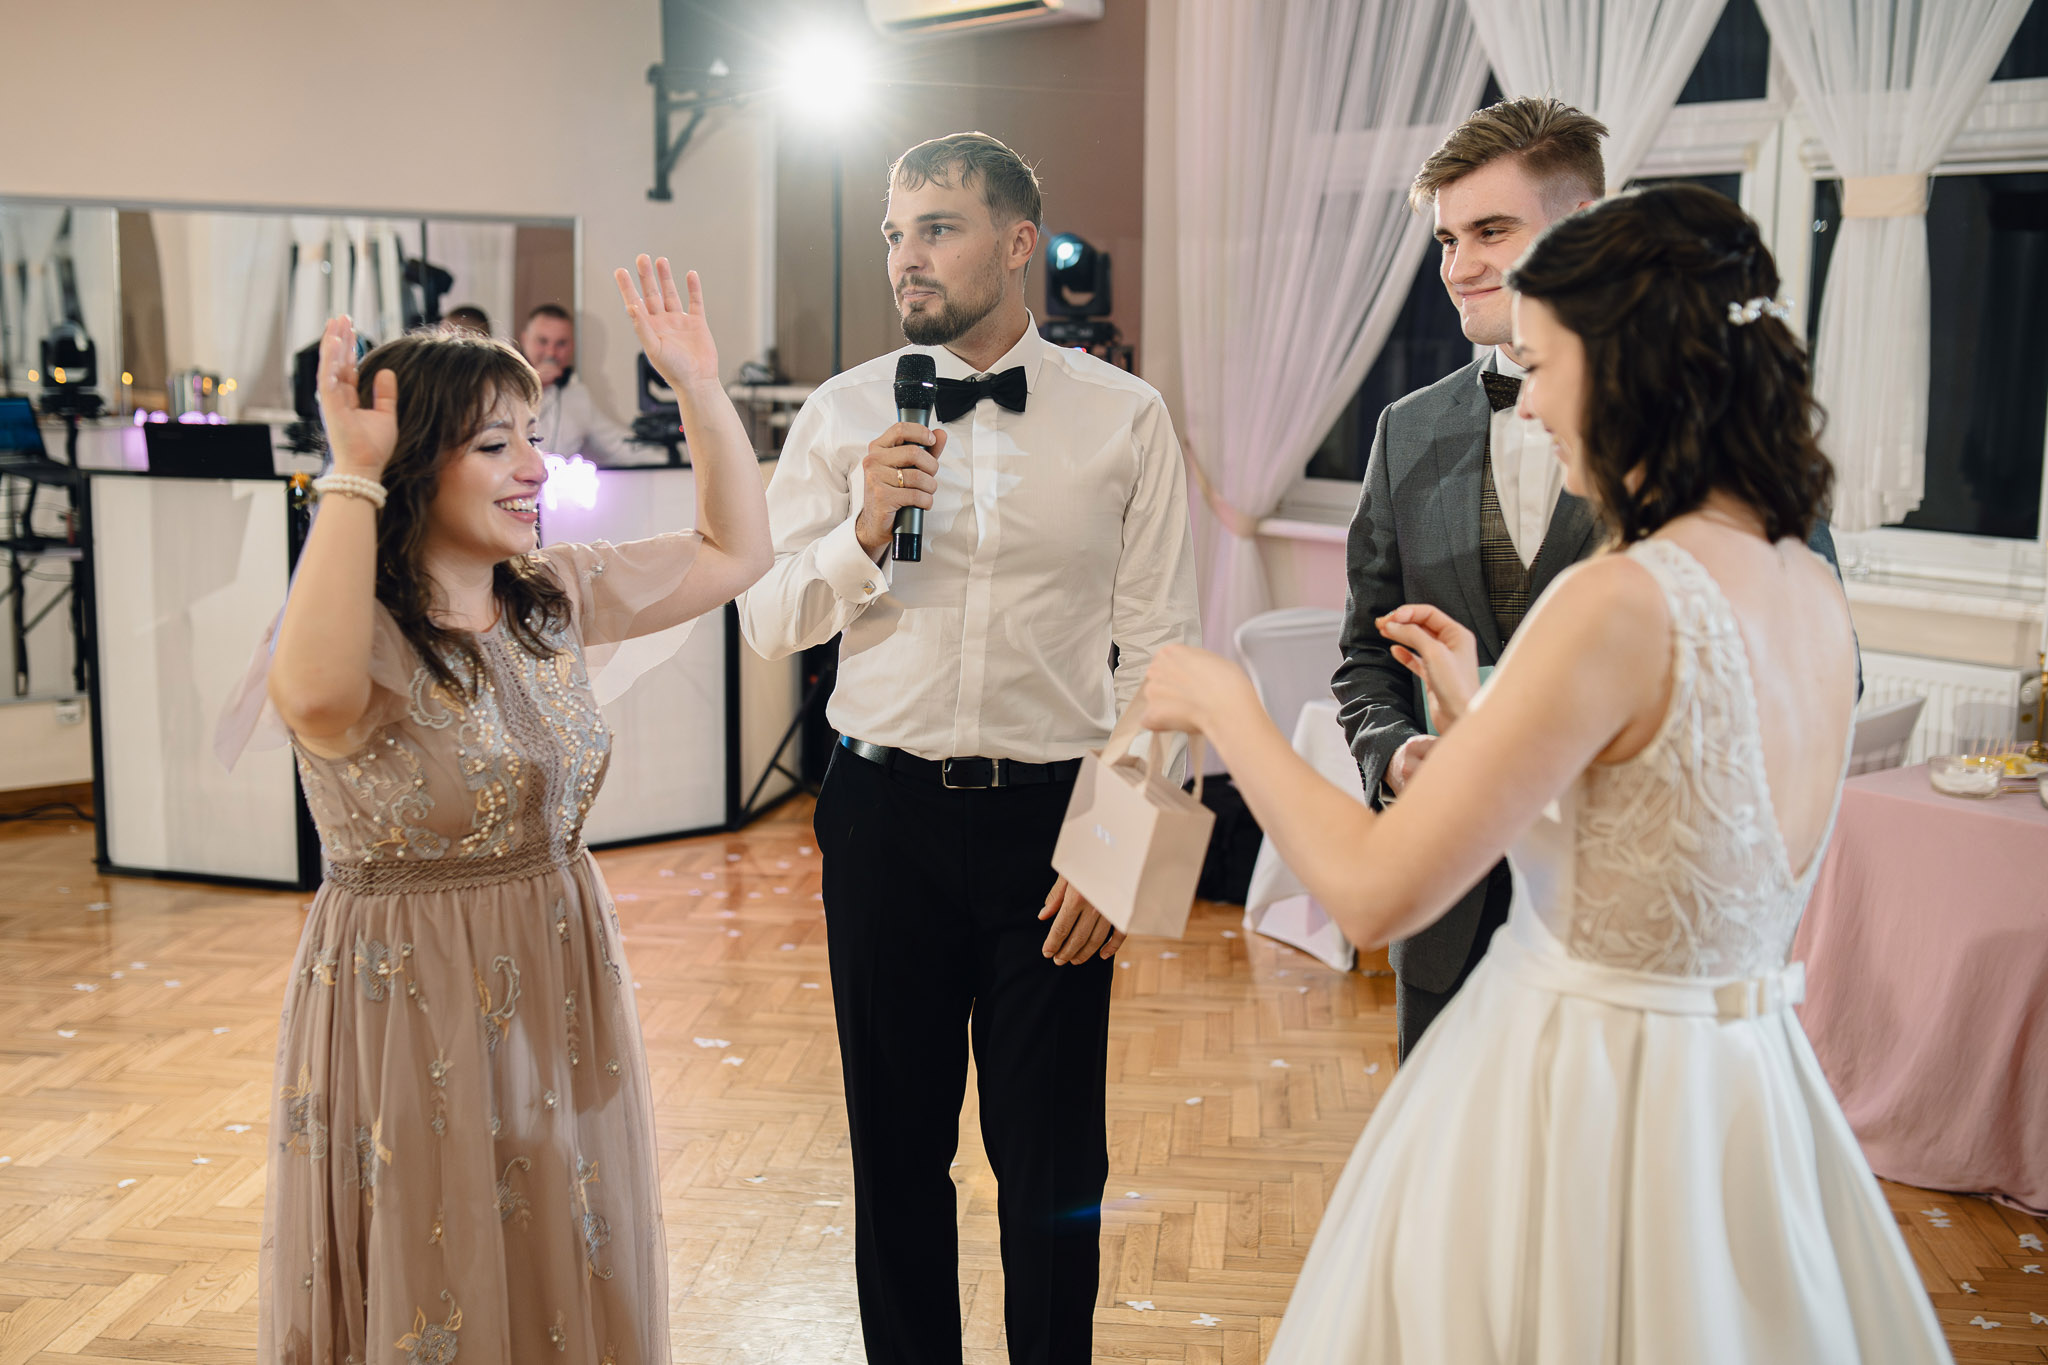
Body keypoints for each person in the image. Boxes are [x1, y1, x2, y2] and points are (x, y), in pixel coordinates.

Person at [1137, 185, 1951, 1363]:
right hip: (1739, 1098)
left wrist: (1227, 705)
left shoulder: (1616, 597)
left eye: (1540, 365)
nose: (1525, 403)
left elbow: (1369, 896)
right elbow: (1675, 805)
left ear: (1627, 371)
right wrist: (1481, 708)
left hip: (1583, 1092)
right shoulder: (1804, 584)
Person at [220, 257, 771, 1363]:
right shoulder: (360, 632)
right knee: (439, 1265)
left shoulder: (549, 595)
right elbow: (313, 697)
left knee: (556, 1248)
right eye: (494, 445)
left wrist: (700, 387)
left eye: (533, 435)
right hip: (410, 1000)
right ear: (414, 467)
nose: (535, 467)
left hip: (559, 971)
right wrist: (349, 473)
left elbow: (735, 551)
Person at [737, 131, 1200, 1365]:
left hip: (1055, 827)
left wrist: (1121, 853)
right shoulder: (839, 414)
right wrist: (861, 531)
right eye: (895, 233)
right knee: (894, 1154)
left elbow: (1161, 649)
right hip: (879, 818)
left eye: (937, 228)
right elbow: (767, 620)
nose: (907, 257)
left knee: (1054, 1163)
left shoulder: (1125, 416)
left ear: (1014, 243)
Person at [1332, 97, 1847, 1059]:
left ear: (1584, 231)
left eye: (1491, 231)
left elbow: (1775, 695)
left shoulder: (1725, 474)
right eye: (1445, 239)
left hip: (1632, 963)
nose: (1458, 267)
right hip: (1449, 935)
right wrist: (1401, 754)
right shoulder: (1407, 429)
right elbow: (1365, 653)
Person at [519, 302, 641, 465]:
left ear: (572, 346)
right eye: (542, 341)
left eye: (561, 343)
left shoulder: (578, 395)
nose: (551, 352)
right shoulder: (502, 386)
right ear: (525, 340)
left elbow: (618, 445)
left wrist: (669, 456)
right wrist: (533, 384)